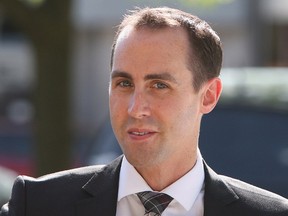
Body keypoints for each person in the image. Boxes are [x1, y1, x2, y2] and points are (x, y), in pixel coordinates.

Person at [1, 7, 288, 216]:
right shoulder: (38, 205)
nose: (135, 108)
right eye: (124, 83)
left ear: (208, 95)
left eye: (159, 85)